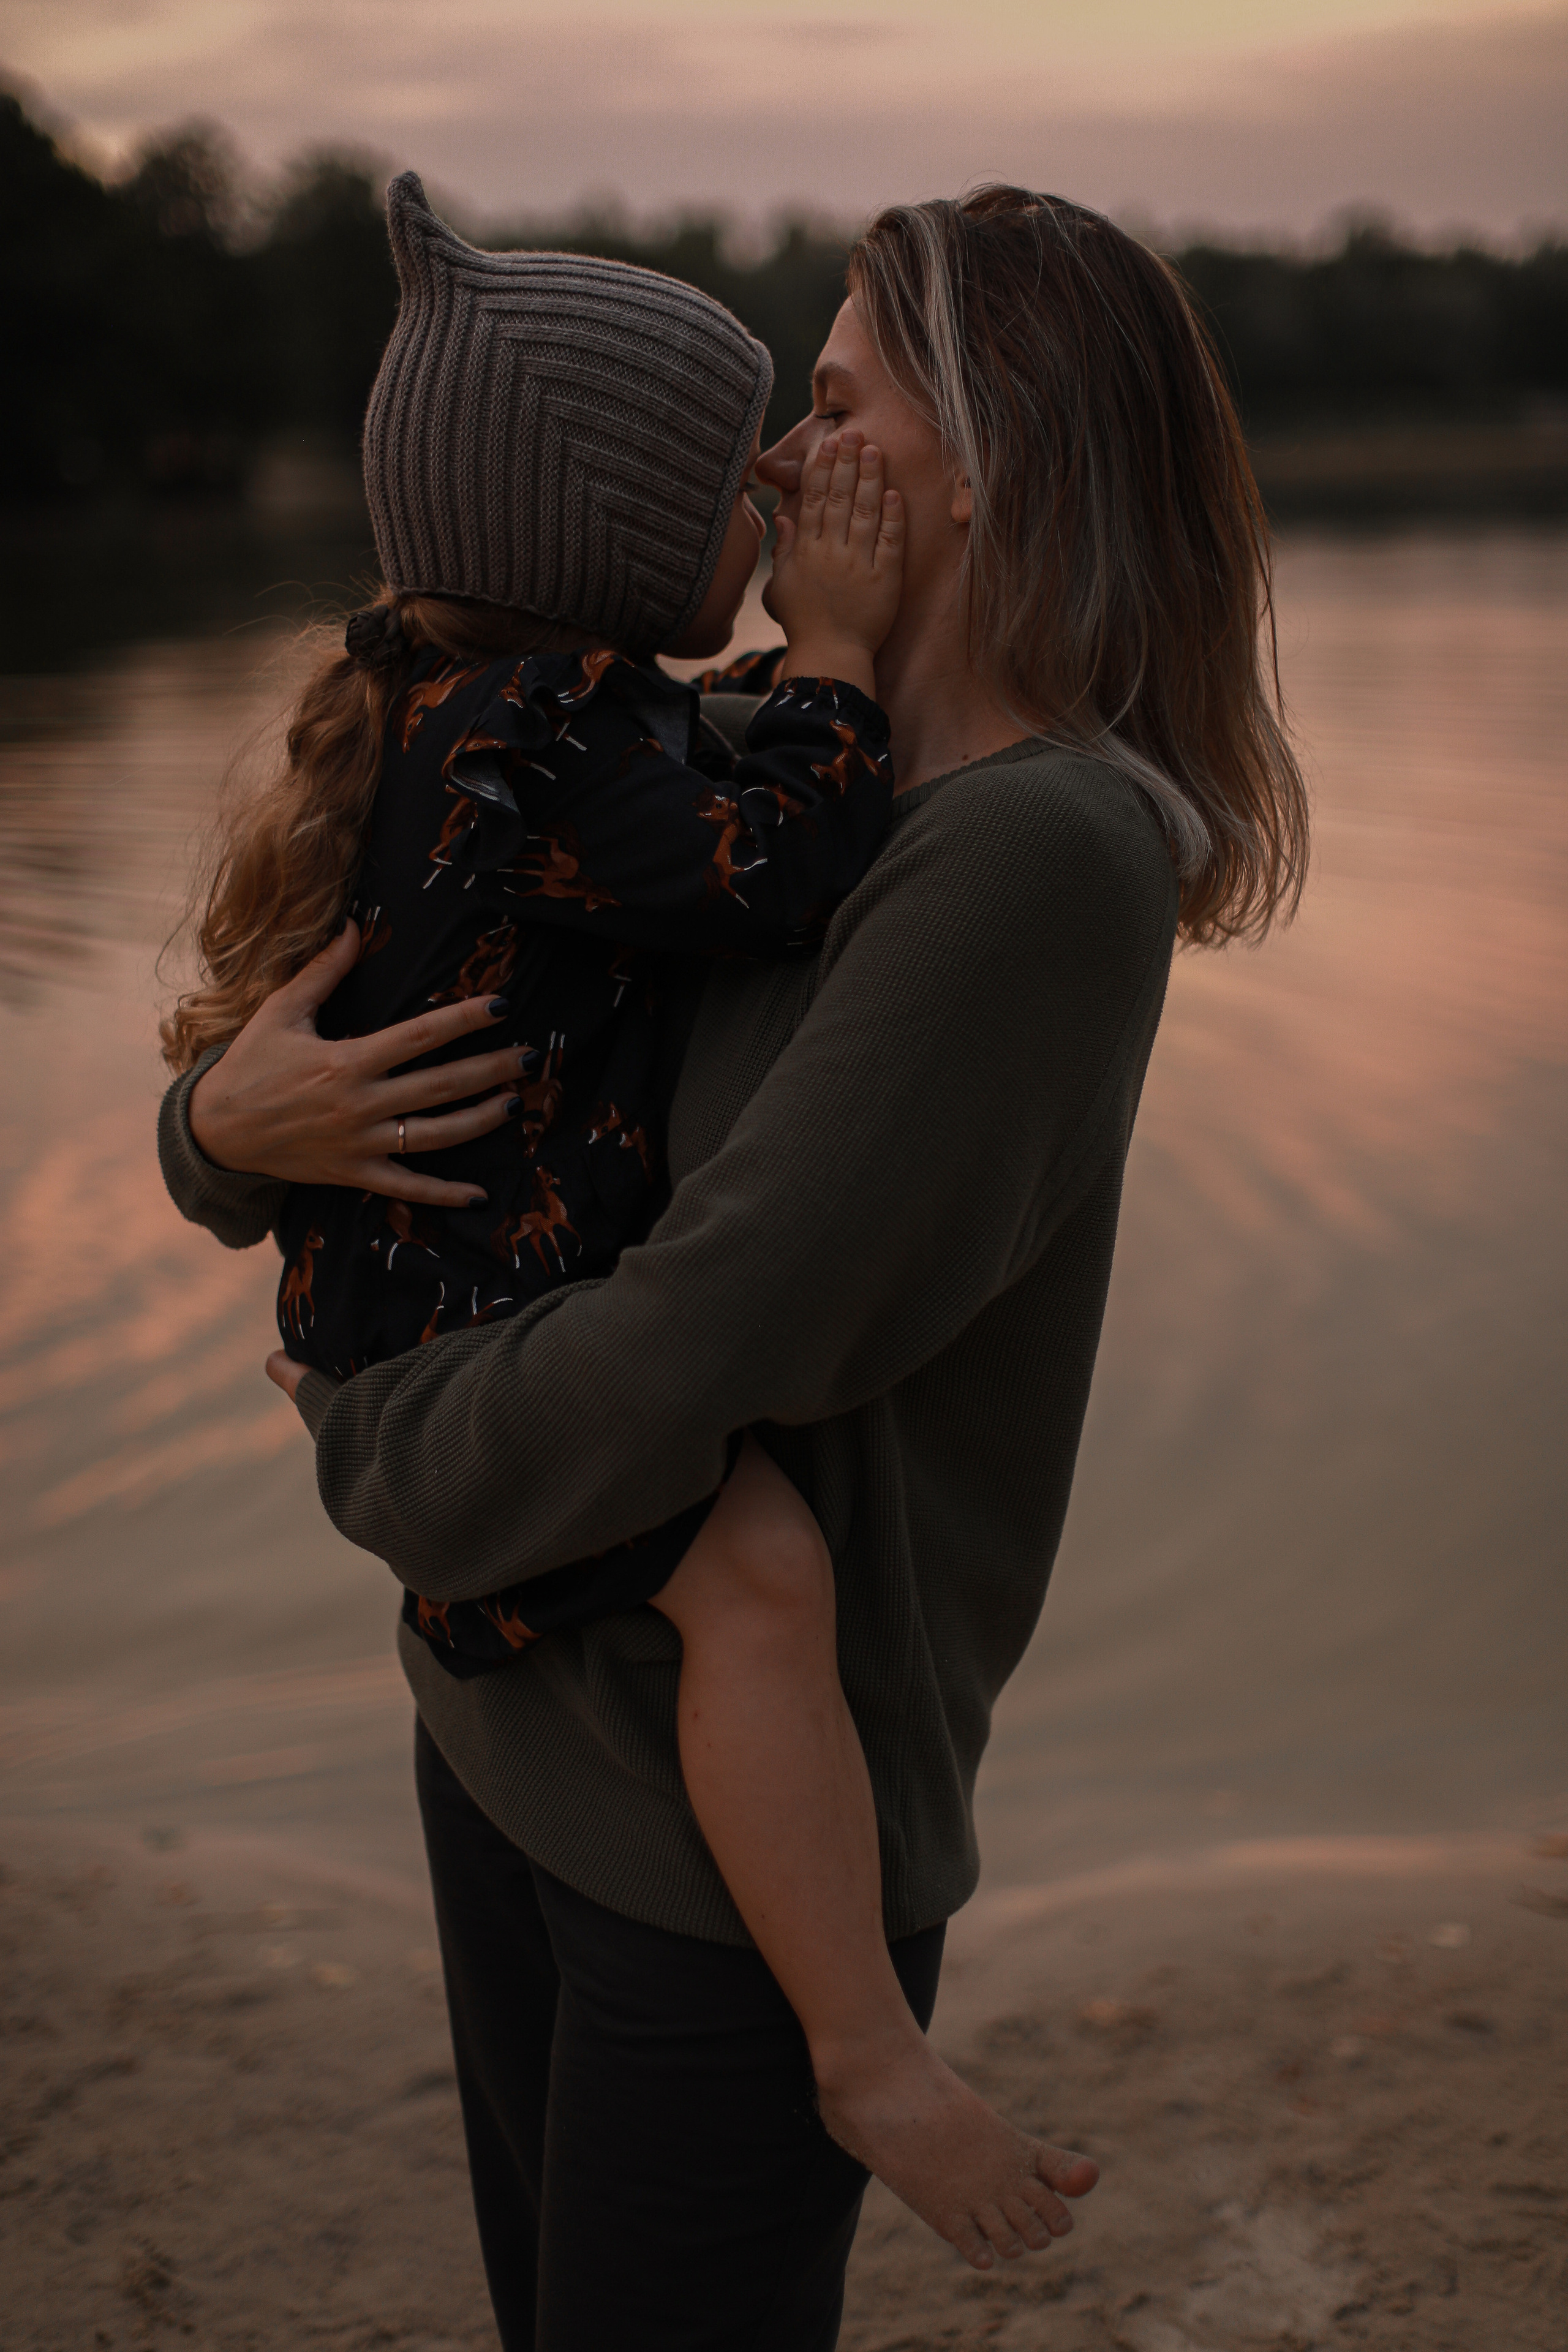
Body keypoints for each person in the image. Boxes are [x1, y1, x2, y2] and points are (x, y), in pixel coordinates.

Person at [159, 185, 1308, 2350]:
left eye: (840, 403)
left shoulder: (1039, 850)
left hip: (731, 1866)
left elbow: (720, 1327)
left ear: (995, 464)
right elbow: (381, 1027)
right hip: (515, 1713)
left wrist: (379, 1460)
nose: (779, 458)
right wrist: (217, 1128)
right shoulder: (753, 745)